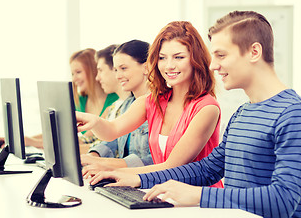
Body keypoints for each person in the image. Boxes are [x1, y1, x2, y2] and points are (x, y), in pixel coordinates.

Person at [89, 11, 301, 218]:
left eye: (221, 55)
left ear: (254, 52)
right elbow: (206, 169)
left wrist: (199, 195)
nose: (212, 65)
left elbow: (283, 202)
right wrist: (137, 179)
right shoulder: (244, 112)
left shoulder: (294, 115)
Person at [78, 21, 223, 188]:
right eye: (162, 58)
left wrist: (113, 171)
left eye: (179, 57)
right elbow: (111, 131)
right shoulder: (151, 102)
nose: (169, 65)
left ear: (195, 59)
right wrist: (92, 121)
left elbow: (172, 167)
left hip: (197, 201)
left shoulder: (207, 108)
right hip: (162, 192)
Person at [25, 48, 119, 149]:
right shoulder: (79, 101)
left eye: (78, 72)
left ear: (94, 70)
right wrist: (27, 140)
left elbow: (83, 141)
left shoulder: (115, 102)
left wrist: (32, 142)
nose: (74, 79)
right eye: (72, 74)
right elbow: (57, 132)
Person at [81, 40, 153, 168]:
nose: (118, 76)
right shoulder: (127, 104)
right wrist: (93, 155)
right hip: (126, 180)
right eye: (116, 70)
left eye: (123, 68)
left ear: (146, 68)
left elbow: (154, 161)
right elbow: (114, 139)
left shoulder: (161, 106)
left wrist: (104, 163)